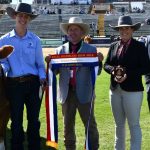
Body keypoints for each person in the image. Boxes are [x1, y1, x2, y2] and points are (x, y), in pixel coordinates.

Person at [45, 16, 103, 150]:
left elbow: (97, 72)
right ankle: (70, 148)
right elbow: (56, 72)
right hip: (66, 93)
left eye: (76, 29)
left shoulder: (91, 50)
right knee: (67, 126)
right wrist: (50, 63)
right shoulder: (60, 50)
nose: (73, 32)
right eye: (70, 29)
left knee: (90, 125)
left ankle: (93, 147)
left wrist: (99, 61)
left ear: (82, 32)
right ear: (67, 32)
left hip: (85, 93)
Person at [0, 3, 46, 150]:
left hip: (33, 84)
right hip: (14, 85)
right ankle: (16, 147)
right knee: (16, 121)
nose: (23, 19)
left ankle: (34, 147)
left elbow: (40, 64)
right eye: (20, 15)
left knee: (33, 120)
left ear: (29, 19)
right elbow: (4, 63)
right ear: (15, 16)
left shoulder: (36, 40)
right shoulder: (3, 40)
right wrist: (1, 67)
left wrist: (43, 77)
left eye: (26, 16)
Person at [104, 15, 150, 150]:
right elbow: (106, 64)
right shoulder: (113, 46)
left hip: (133, 91)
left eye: (127, 28)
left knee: (134, 124)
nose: (124, 31)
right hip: (114, 90)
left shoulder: (140, 46)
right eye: (121, 29)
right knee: (118, 124)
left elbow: (146, 67)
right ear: (118, 30)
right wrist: (113, 70)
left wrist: (126, 73)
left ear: (132, 30)